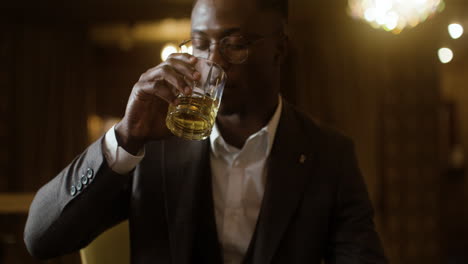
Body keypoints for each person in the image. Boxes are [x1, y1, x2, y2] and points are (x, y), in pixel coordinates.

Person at [24, 0, 388, 263]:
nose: (212, 63)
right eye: (200, 45)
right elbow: (40, 239)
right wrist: (125, 137)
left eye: (235, 45)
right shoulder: (153, 146)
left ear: (279, 51)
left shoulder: (330, 154)